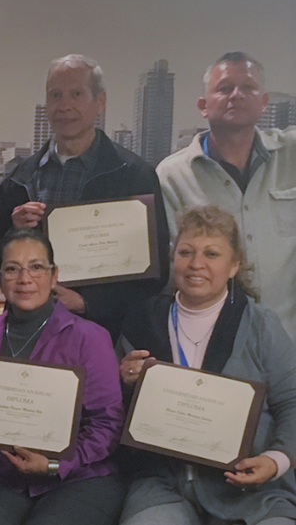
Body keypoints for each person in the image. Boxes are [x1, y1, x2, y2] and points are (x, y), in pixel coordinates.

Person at [117, 205, 296, 525]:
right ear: (173, 259)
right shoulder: (142, 320)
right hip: (162, 482)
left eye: (211, 254)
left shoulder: (260, 325)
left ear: (234, 266)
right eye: (186, 252)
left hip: (249, 490)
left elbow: (292, 401)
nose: (196, 264)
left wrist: (275, 460)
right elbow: (112, 412)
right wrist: (124, 383)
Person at [0, 228, 125, 525]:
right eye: (12, 269)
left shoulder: (90, 339)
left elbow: (107, 424)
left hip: (77, 476)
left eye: (36, 267)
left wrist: (55, 464)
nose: (25, 279)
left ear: (54, 276)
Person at [0, 54, 169, 342]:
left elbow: (154, 276)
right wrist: (13, 233)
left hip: (107, 337)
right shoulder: (18, 179)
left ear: (100, 102)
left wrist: (89, 304)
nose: (64, 106)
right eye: (55, 95)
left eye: (76, 94)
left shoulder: (135, 176)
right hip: (30, 334)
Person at [158, 52, 296, 340]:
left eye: (247, 87)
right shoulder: (172, 176)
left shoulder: (292, 155)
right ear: (203, 106)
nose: (236, 95)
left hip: (290, 340)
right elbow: (171, 272)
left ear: (264, 102)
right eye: (224, 88)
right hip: (213, 347)